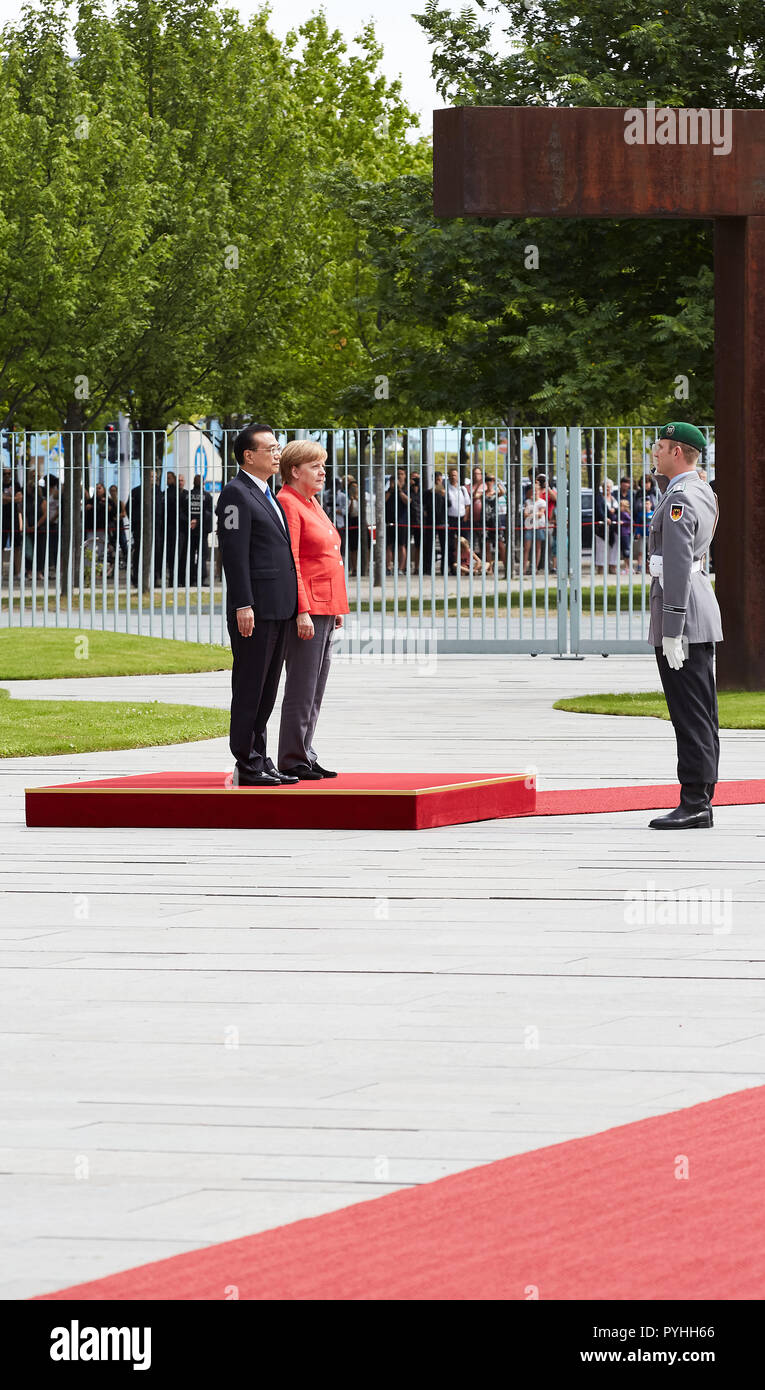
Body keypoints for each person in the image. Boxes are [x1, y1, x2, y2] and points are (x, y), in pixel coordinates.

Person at [646, 422, 722, 830]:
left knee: (690, 713)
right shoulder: (696, 490)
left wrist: (672, 627)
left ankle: (695, 801)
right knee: (701, 711)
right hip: (697, 606)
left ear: (677, 451)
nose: (654, 454)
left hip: (683, 613)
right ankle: (701, 797)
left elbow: (676, 562)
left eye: (659, 448)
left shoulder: (681, 499)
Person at [216, 424, 299, 788]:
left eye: (278, 447)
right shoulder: (235, 495)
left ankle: (260, 757)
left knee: (267, 688)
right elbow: (234, 555)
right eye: (271, 448)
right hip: (255, 609)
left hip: (278, 606)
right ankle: (246, 762)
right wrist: (243, 604)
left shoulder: (268, 494)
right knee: (250, 685)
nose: (277, 453)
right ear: (249, 455)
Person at [275, 440, 349, 779]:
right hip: (307, 608)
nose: (323, 472)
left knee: (315, 686)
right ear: (294, 470)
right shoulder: (289, 503)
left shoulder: (311, 502)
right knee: (302, 686)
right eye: (315, 466)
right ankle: (292, 756)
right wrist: (301, 610)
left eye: (323, 465)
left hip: (324, 604)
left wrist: (334, 607)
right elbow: (292, 561)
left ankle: (305, 751)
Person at [188, 475, 213, 583]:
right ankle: (201, 578)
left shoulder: (188, 495)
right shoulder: (207, 496)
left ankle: (190, 577)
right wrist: (198, 521)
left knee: (190, 554)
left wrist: (192, 521)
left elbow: (183, 510)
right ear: (203, 483)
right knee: (202, 555)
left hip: (189, 529)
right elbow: (208, 514)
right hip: (202, 530)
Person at [594, 477, 619, 574]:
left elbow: (618, 509)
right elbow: (598, 509)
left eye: (609, 487)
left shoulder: (613, 498)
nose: (608, 489)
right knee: (601, 547)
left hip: (613, 526)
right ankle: (600, 567)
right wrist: (604, 517)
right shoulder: (599, 498)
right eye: (606, 487)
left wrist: (615, 511)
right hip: (602, 526)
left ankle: (612, 566)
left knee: (614, 545)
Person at [523, 478, 547, 573]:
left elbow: (540, 514)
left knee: (538, 547)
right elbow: (525, 515)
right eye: (533, 491)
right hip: (529, 526)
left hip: (539, 526)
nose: (535, 493)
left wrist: (531, 514)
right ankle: (524, 568)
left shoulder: (542, 502)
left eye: (536, 491)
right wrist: (535, 514)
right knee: (527, 548)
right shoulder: (528, 502)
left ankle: (535, 568)